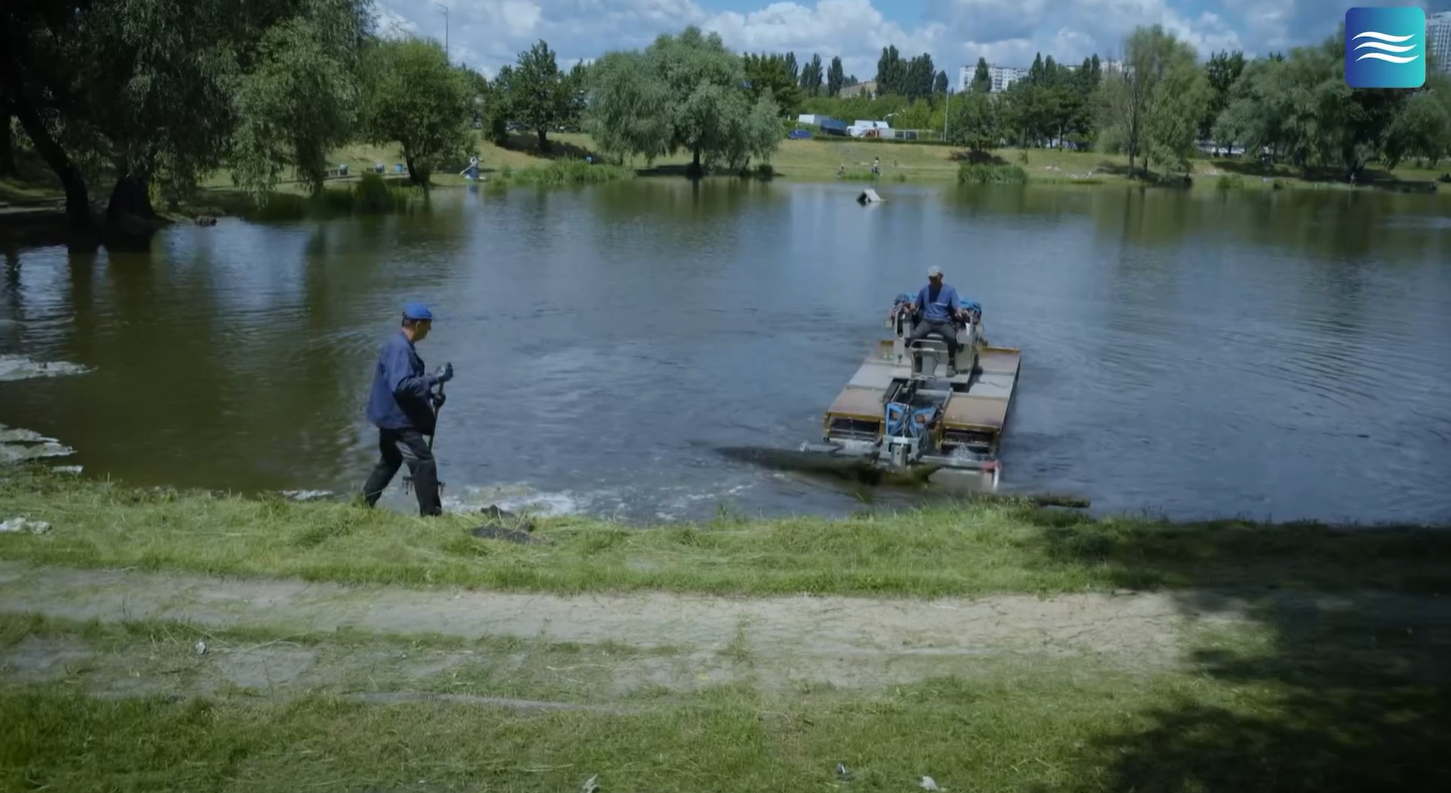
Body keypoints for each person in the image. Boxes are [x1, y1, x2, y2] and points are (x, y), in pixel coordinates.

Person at [360, 303, 454, 516]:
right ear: (419, 324)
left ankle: (362, 506)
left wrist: (431, 395)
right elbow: (401, 386)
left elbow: (405, 384)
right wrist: (434, 378)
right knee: (424, 463)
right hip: (398, 422)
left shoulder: (399, 345)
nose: (429, 331)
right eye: (428, 326)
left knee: (390, 462)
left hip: (389, 417)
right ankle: (432, 517)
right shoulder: (399, 348)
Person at [906, 266, 966, 374]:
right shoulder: (924, 290)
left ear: (941, 277)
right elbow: (915, 305)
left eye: (934, 278)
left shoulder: (950, 290)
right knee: (914, 336)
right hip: (927, 321)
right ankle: (918, 360)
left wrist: (960, 311)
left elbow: (957, 306)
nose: (932, 280)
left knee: (952, 337)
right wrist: (907, 307)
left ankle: (951, 361)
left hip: (943, 322)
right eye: (930, 278)